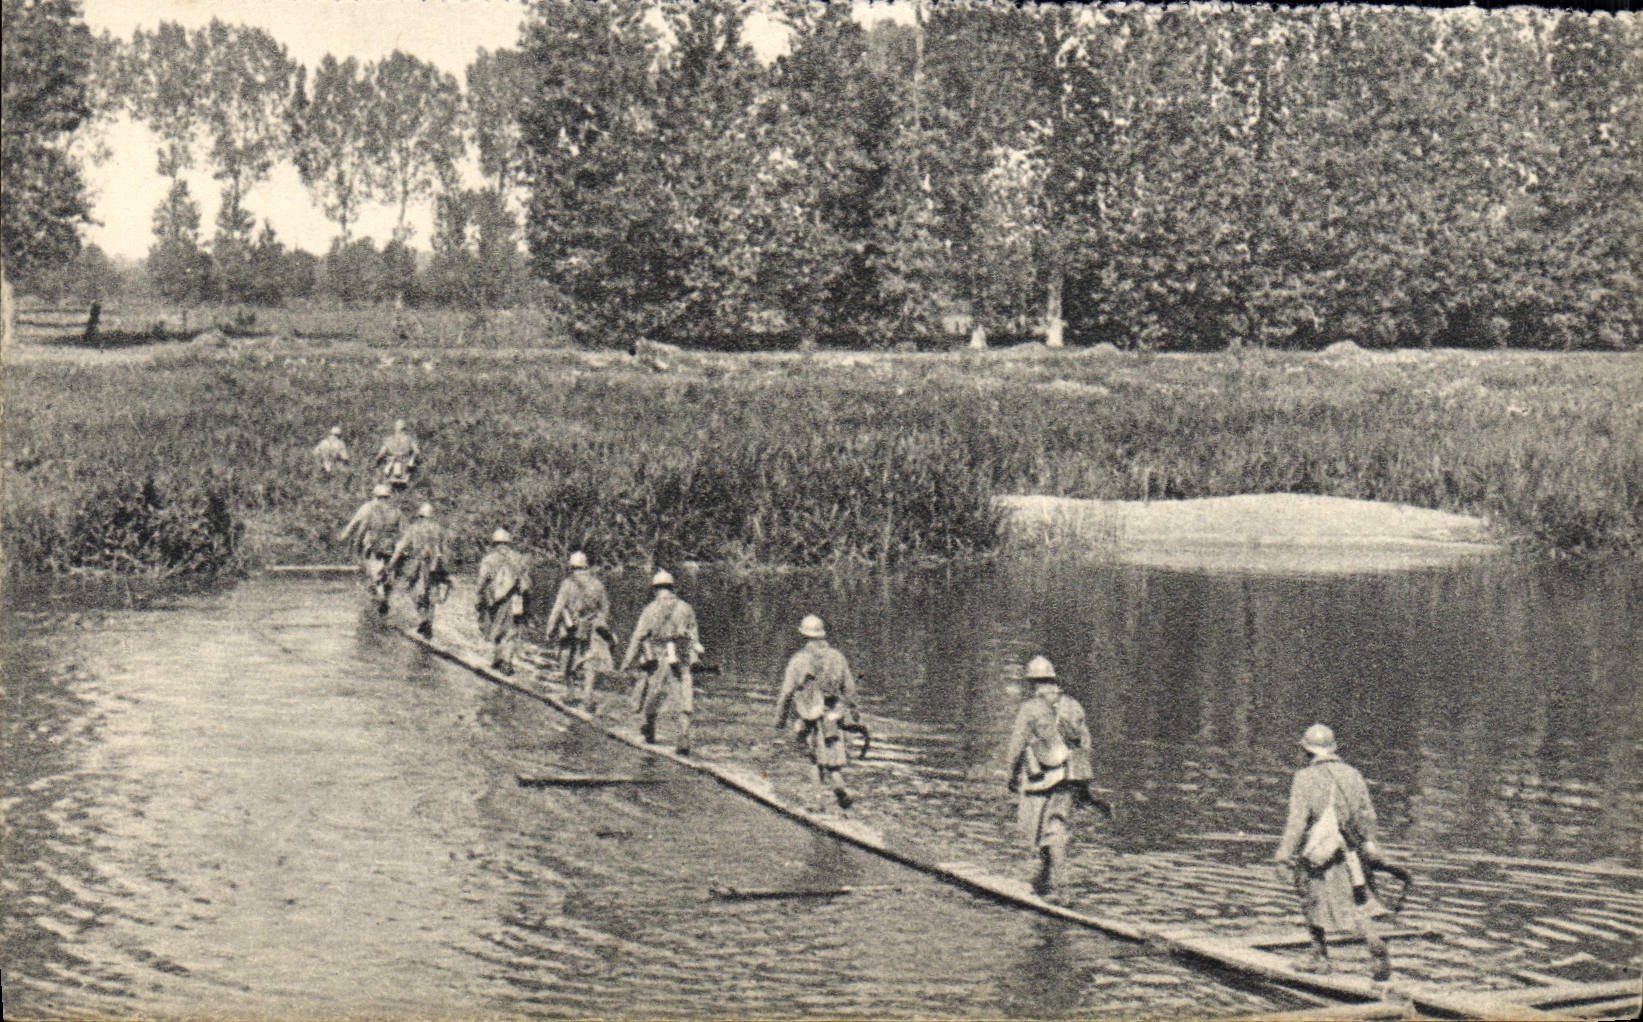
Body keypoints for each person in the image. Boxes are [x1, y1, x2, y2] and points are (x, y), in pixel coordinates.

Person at [1272, 723, 1393, 981]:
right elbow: (1366, 815)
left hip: (1321, 852)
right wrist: (1371, 844)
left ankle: (1319, 956)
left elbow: (1297, 823)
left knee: (1310, 896)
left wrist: (1283, 857)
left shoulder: (1304, 778)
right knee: (1357, 903)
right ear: (1333, 749)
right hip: (1350, 851)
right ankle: (1375, 945)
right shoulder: (1353, 774)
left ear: (1306, 751)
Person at [1001, 656, 1092, 900]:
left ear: (1032, 683)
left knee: (1044, 829)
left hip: (1044, 778)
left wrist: (1011, 774)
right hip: (1072, 776)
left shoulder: (1030, 708)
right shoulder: (1073, 705)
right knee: (1055, 825)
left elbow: (1016, 744)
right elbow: (1086, 742)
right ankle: (1045, 880)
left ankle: (1060, 886)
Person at [774, 614, 860, 810]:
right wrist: (854, 713)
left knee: (814, 759)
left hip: (810, 714)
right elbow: (850, 689)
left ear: (804, 636)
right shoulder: (838, 657)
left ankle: (818, 801)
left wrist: (780, 719)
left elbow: (787, 692)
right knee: (832, 760)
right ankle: (840, 789)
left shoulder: (799, 660)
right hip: (833, 714)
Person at [619, 570, 703, 755]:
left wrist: (627, 661)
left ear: (656, 589)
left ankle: (649, 730)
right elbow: (694, 639)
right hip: (682, 658)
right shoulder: (686, 608)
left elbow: (638, 637)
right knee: (684, 698)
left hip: (658, 658)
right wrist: (694, 660)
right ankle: (683, 735)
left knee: (653, 695)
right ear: (672, 587)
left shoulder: (650, 610)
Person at [544, 550, 613, 706]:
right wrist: (598, 625)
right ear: (586, 566)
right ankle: (587, 697)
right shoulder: (598, 585)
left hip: (570, 627)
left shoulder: (568, 584)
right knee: (589, 662)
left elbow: (558, 608)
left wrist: (550, 629)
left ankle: (570, 693)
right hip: (590, 628)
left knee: (566, 656)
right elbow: (605, 610)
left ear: (572, 567)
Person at [386, 502, 450, 639]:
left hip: (416, 565)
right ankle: (428, 626)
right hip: (433, 567)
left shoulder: (413, 528)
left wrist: (391, 564)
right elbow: (445, 551)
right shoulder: (438, 529)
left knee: (414, 592)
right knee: (431, 596)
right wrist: (446, 571)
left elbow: (400, 547)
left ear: (420, 515)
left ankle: (422, 619)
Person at [475, 528, 531, 674]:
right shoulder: (518, 558)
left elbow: (482, 580)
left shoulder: (489, 559)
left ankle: (498, 660)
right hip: (517, 599)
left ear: (495, 543)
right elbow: (527, 580)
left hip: (497, 599)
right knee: (512, 630)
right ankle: (507, 662)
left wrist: (478, 595)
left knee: (496, 627)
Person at [338, 484, 401, 613]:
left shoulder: (367, 508)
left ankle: (379, 597)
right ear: (388, 496)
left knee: (371, 573)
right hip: (391, 547)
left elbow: (354, 523)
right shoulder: (395, 510)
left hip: (373, 546)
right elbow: (403, 531)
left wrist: (344, 536)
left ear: (375, 495)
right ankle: (386, 598)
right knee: (388, 575)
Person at [375, 419, 420, 490]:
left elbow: (381, 453)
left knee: (387, 476)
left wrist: (377, 461)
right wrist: (412, 460)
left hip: (391, 463)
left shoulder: (389, 439)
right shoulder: (409, 439)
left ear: (395, 428)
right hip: (405, 462)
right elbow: (417, 452)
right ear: (404, 429)